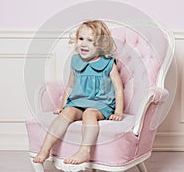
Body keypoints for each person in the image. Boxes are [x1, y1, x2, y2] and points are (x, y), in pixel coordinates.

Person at [33, 20, 124, 165]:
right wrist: (63, 106)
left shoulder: (108, 63)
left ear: (100, 44)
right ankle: (45, 149)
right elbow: (70, 87)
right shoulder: (75, 61)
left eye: (90, 40)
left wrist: (118, 112)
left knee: (89, 113)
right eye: (81, 39)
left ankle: (85, 151)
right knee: (67, 113)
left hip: (100, 105)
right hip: (78, 102)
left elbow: (119, 89)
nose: (83, 43)